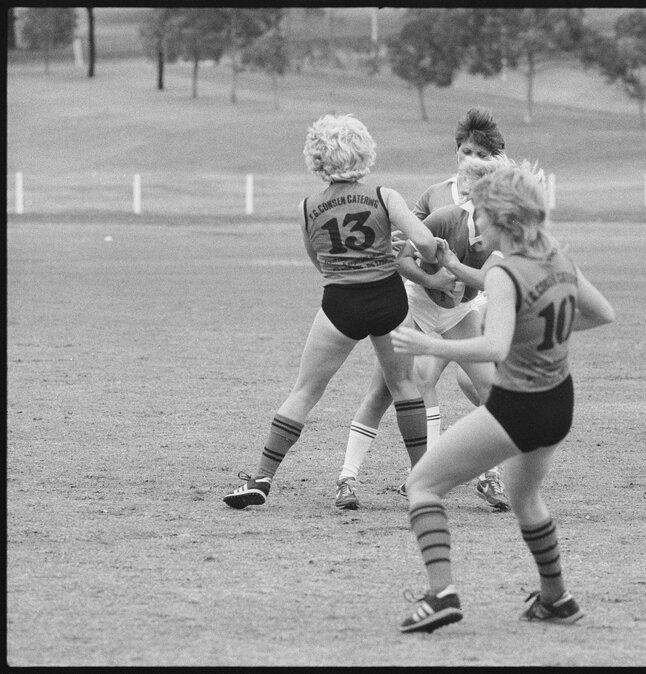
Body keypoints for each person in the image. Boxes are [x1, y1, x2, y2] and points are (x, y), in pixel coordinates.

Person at [390, 163, 616, 633]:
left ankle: (441, 594)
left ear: (502, 219)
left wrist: (431, 345)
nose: (474, 225)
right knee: (526, 499)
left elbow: (493, 348)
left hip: (520, 407)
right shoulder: (556, 258)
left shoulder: (503, 271)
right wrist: (538, 336)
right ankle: (556, 598)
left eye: (479, 216)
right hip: (559, 402)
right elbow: (602, 313)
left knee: (423, 486)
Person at [222, 113, 441, 509]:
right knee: (404, 388)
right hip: (389, 299)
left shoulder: (308, 207)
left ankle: (262, 479)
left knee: (305, 391)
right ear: (364, 150)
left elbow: (319, 262)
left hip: (341, 303)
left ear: (317, 158)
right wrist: (407, 254)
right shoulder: (383, 195)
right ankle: (425, 484)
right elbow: (424, 242)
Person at [334, 107, 511, 511]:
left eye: (482, 155)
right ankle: (349, 476)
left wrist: (457, 275)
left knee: (493, 391)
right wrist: (432, 279)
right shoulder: (437, 199)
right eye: (466, 151)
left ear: (495, 160)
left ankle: (489, 476)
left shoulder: (502, 209)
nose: (472, 161)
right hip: (416, 302)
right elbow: (398, 251)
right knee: (387, 389)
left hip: (462, 308)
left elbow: (500, 276)